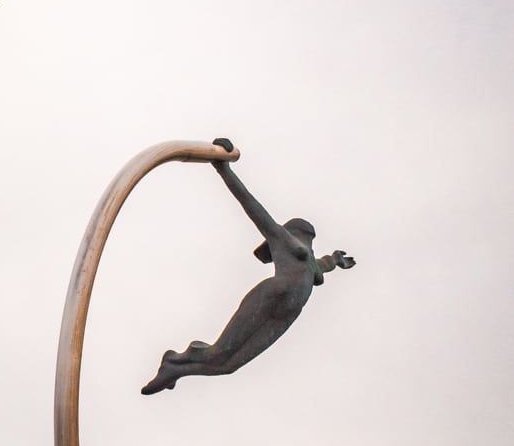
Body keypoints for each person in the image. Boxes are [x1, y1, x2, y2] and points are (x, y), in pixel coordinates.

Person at [141, 139, 355, 394]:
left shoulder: (311, 262)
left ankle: (176, 368)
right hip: (274, 294)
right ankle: (177, 358)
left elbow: (322, 267)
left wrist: (336, 260)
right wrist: (224, 170)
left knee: (228, 365)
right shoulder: (285, 239)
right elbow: (252, 206)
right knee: (219, 352)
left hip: (288, 311)